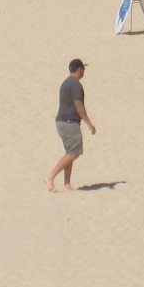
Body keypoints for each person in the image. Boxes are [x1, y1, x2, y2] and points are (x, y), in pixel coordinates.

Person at [46, 59, 96, 192]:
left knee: (70, 153)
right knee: (74, 153)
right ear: (79, 69)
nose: (84, 71)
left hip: (63, 122)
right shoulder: (75, 84)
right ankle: (50, 177)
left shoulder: (66, 83)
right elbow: (78, 106)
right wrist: (89, 123)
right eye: (83, 68)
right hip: (68, 122)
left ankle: (67, 185)